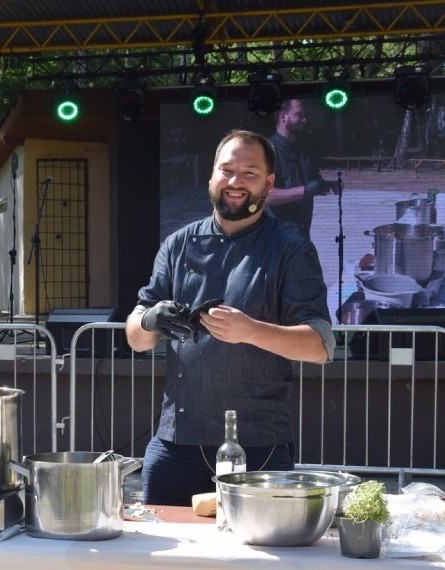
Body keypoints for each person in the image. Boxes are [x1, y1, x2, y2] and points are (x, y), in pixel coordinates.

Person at [125, 129, 336, 506]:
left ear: (269, 184)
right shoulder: (178, 244)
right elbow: (135, 339)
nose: (235, 182)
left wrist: (250, 330)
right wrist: (147, 321)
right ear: (211, 175)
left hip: (259, 449)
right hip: (176, 443)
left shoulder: (291, 247)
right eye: (227, 170)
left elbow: (320, 345)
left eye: (249, 173)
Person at [264, 99, 339, 241]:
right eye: (299, 115)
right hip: (278, 239)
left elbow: (311, 182)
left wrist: (328, 185)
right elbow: (265, 196)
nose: (304, 120)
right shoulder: (268, 150)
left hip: (302, 234)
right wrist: (306, 190)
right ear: (283, 117)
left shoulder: (302, 149)